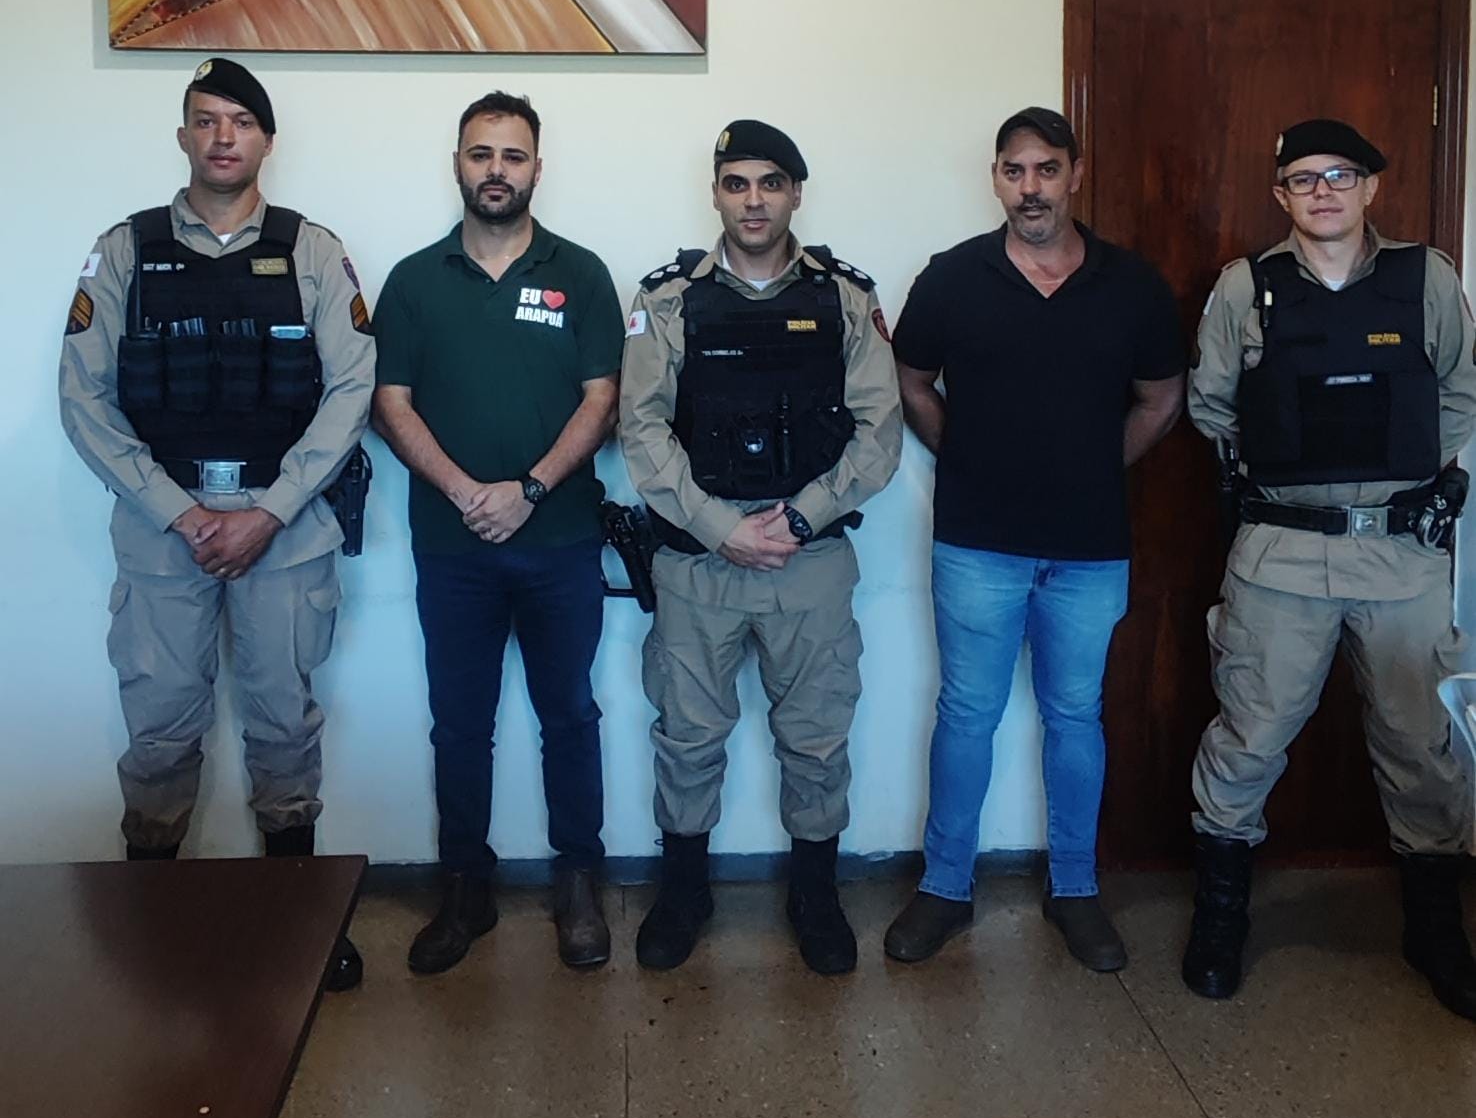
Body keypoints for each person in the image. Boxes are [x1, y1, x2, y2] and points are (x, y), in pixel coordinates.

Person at [59, 57, 374, 991]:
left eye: (241, 120)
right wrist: (182, 511)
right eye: (206, 119)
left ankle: (299, 927)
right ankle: (149, 927)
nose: (223, 136)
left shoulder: (313, 251)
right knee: (160, 729)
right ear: (184, 136)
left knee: (284, 726)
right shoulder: (125, 250)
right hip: (165, 534)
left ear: (267, 140)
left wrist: (269, 511)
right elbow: (83, 397)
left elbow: (351, 390)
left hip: (287, 532)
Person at [1183, 118, 1476, 1020]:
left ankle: (1435, 928)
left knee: (1422, 743)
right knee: (1250, 735)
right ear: (1281, 195)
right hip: (1282, 552)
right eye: (1304, 179)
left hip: (1401, 553)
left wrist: (1406, 466)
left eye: (1340, 175)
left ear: (1370, 188)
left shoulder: (1427, 279)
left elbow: (1462, 388)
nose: (1323, 192)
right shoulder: (1247, 287)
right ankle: (1220, 914)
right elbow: (1211, 404)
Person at [883, 106, 1184, 973]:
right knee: (966, 715)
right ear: (996, 179)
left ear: (1075, 175)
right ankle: (945, 886)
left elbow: (1162, 397)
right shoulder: (952, 277)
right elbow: (911, 378)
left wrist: (1092, 467)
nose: (1030, 188)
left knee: (1075, 716)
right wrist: (966, 454)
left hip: (1090, 548)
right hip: (977, 543)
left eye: (1047, 169)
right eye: (1014, 171)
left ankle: (1076, 888)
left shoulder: (1131, 284)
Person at [620, 120, 902, 976]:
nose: (753, 200)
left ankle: (815, 895)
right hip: (698, 562)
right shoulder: (667, 299)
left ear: (795, 193)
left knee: (817, 737)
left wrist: (801, 519)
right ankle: (684, 892)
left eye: (770, 183)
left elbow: (880, 433)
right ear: (715, 192)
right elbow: (640, 428)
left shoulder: (845, 298)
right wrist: (722, 528)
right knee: (687, 734)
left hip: (807, 561)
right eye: (737, 183)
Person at [372, 92, 623, 974]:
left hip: (560, 543)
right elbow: (390, 402)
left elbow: (603, 398)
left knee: (571, 717)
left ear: (537, 169)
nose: (496, 170)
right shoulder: (414, 280)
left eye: (513, 156)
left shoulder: (581, 273)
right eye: (481, 154)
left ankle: (579, 884)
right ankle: (464, 891)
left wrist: (529, 489)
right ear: (458, 164)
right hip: (453, 550)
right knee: (458, 726)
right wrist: (466, 492)